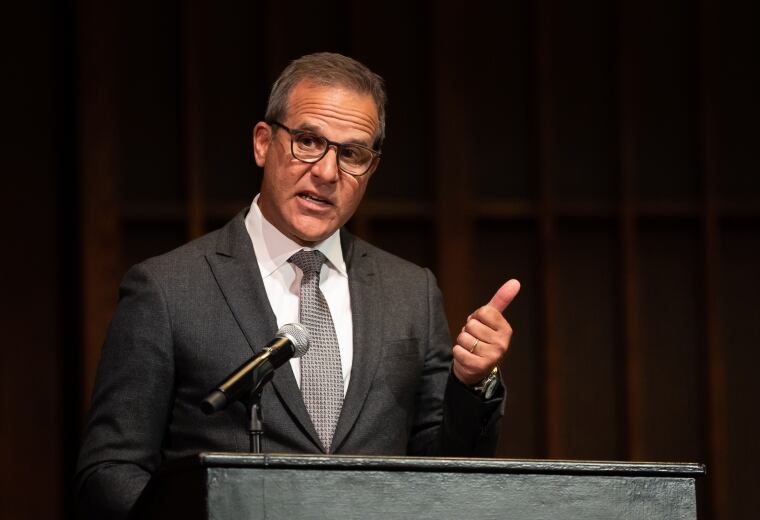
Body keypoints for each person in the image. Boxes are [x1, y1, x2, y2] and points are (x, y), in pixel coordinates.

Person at [75, 52, 521, 518]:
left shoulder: (411, 292)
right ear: (263, 143)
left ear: (370, 169)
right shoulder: (168, 289)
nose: (327, 172)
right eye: (308, 141)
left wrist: (472, 383)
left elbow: (445, 470)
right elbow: (110, 472)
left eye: (351, 154)